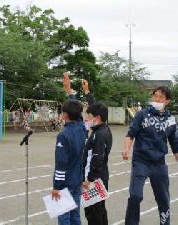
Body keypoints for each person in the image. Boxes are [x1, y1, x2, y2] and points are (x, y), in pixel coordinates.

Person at [122, 86, 178, 225]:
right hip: (141, 161)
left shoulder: (171, 120)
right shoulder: (142, 115)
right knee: (135, 196)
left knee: (164, 199)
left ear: (167, 101)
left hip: (159, 163)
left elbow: (174, 142)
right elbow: (130, 134)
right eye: (155, 96)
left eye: (161, 97)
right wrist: (126, 149)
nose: (157, 99)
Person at [63, 72, 113, 225]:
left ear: (96, 118)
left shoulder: (98, 135)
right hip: (101, 176)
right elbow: (92, 110)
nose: (86, 118)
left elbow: (96, 159)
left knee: (93, 213)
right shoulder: (103, 127)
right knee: (100, 210)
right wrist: (84, 92)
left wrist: (89, 180)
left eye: (89, 116)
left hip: (94, 179)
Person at [51, 99, 86, 225]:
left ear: (65, 114)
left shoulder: (63, 135)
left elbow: (61, 164)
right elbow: (80, 115)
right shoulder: (82, 129)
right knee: (75, 214)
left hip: (66, 182)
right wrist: (70, 92)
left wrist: (56, 186)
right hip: (78, 180)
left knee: (64, 216)